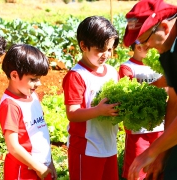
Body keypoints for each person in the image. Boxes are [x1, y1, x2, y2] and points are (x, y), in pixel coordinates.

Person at [122, 0, 177, 179]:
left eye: (145, 40)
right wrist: (162, 154)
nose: (146, 48)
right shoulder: (167, 50)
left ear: (164, 26)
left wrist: (151, 151)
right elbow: (175, 102)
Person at [62, 16, 120, 180]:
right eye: (100, 49)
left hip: (109, 145)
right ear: (83, 46)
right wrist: (99, 110)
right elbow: (72, 113)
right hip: (86, 148)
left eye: (109, 49)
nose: (106, 54)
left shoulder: (112, 72)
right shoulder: (77, 76)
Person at [0, 44, 57, 180]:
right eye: (33, 79)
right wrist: (39, 167)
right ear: (14, 75)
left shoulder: (33, 97)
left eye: (39, 79)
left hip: (42, 166)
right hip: (23, 171)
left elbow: (42, 133)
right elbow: (13, 146)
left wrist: (50, 162)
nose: (38, 84)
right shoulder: (10, 105)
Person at [118, 42, 167, 180]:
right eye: (142, 43)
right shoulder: (127, 67)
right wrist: (157, 85)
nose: (147, 46)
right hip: (138, 131)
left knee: (157, 170)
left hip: (160, 127)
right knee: (136, 171)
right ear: (135, 46)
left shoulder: (159, 64)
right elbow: (129, 96)